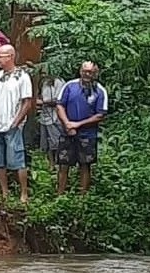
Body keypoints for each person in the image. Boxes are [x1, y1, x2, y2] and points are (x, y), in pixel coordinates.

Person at [0, 44, 34, 204]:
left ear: (11, 56)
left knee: (17, 159)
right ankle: (5, 192)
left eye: (1, 56)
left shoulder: (22, 76)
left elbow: (27, 102)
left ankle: (23, 193)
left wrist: (16, 121)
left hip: (13, 124)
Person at [55, 61, 108, 195]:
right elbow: (60, 105)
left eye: (90, 72)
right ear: (80, 71)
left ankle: (83, 196)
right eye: (85, 71)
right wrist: (67, 123)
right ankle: (60, 194)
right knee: (63, 164)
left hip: (87, 134)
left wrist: (78, 125)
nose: (87, 74)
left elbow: (100, 114)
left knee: (85, 165)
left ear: (95, 73)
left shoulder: (100, 91)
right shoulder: (69, 86)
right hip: (67, 131)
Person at [37, 66, 66, 166]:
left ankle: (59, 164)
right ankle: (50, 164)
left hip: (55, 116)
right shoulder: (44, 83)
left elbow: (59, 101)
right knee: (46, 143)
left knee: (56, 142)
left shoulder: (58, 82)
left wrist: (43, 102)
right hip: (44, 117)